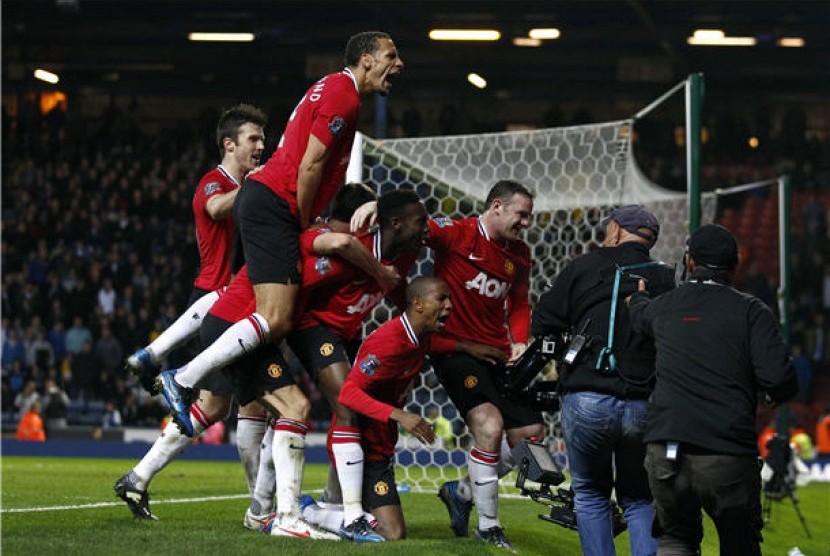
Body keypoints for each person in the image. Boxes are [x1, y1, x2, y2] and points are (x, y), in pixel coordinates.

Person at [159, 31, 404, 435]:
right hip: (276, 204)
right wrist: (305, 220)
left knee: (276, 317)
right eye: (390, 56)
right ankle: (183, 376)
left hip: (268, 202)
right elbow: (310, 165)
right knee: (274, 316)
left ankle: (181, 373)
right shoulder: (344, 95)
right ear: (365, 60)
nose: (398, 64)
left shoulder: (332, 87)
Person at [113, 183, 386, 526]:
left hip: (244, 328)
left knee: (223, 407)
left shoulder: (298, 238)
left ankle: (140, 478)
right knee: (288, 408)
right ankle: (263, 509)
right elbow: (225, 292)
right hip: (239, 328)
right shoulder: (310, 242)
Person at [116, 104, 268, 517]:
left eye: (262, 139)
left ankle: (140, 479)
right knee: (239, 404)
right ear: (229, 143)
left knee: (241, 404)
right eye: (253, 139)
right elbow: (218, 208)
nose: (261, 146)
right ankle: (264, 507)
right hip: (215, 308)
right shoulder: (211, 182)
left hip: (242, 305)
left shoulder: (251, 184)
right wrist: (259, 187)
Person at [628, 223, 798, 555]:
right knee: (740, 545)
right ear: (735, 263)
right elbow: (779, 378)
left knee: (676, 539)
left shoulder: (663, 306)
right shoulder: (751, 311)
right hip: (725, 452)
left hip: (666, 449)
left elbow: (639, 316)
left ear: (689, 261)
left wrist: (637, 298)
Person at [531, 204, 675, 556]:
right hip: (645, 400)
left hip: (588, 395)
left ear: (615, 229)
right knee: (640, 498)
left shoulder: (585, 265)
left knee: (592, 494)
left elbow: (543, 323)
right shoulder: (666, 279)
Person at [426, 180, 542, 551]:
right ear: (496, 206)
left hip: (497, 352)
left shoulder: (520, 255)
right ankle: (489, 527)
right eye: (521, 214)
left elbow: (519, 303)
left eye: (529, 216)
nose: (525, 222)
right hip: (455, 351)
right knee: (489, 426)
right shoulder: (457, 234)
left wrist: (520, 340)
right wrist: (376, 207)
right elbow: (413, 225)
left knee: (530, 435)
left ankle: (461, 492)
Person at [299, 276, 452, 541]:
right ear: (418, 304)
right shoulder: (389, 340)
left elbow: (446, 345)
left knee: (367, 518)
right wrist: (400, 415)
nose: (449, 305)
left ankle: (331, 510)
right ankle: (308, 511)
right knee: (392, 533)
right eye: (442, 298)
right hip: (359, 441)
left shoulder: (421, 338)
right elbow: (348, 394)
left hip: (380, 443)